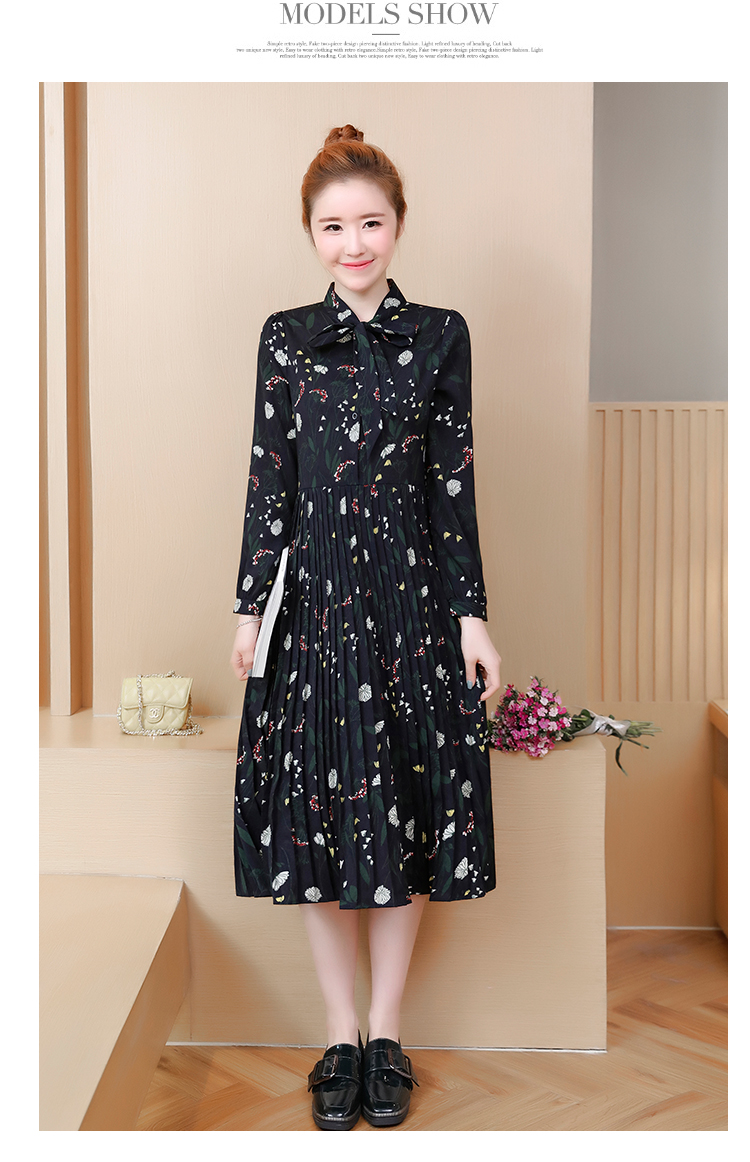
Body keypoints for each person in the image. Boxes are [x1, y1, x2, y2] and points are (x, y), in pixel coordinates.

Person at [230, 125, 502, 1131]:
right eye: (334, 227)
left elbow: (452, 487)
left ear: (398, 226)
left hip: (413, 606)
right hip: (313, 610)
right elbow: (269, 480)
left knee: (406, 818)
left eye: (371, 223)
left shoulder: (441, 335)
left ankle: (387, 1034)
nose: (354, 244)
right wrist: (249, 607)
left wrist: (472, 617)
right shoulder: (284, 337)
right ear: (311, 233)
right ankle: (337, 1035)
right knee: (314, 820)